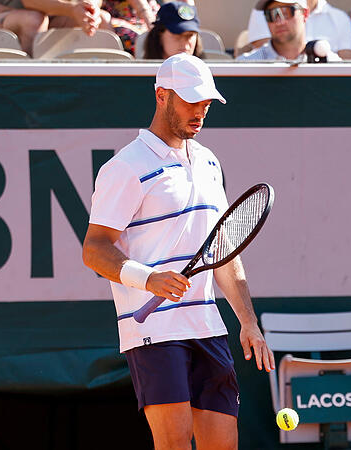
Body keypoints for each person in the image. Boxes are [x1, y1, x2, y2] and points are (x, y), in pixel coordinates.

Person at [82, 53, 274, 450]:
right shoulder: (125, 166)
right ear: (161, 95)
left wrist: (248, 321)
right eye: (190, 101)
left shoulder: (207, 161)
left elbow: (223, 249)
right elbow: (95, 249)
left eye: (206, 103)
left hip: (207, 328)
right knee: (173, 444)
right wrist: (148, 277)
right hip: (153, 331)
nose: (200, 111)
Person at [0, 0, 113, 55]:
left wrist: (90, 10)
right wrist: (72, 9)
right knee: (33, 20)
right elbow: (31, 2)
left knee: (101, 20)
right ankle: (30, 90)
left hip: (54, 16)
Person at [243, 0, 351, 59]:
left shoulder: (330, 62)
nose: (280, 22)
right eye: (271, 14)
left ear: (305, 14)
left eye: (287, 12)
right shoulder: (245, 65)